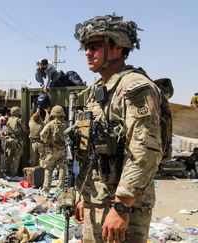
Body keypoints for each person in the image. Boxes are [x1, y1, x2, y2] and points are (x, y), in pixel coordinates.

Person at [73, 14, 163, 242]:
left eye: (94, 46)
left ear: (117, 47)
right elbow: (92, 150)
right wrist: (84, 194)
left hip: (124, 208)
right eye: (86, 46)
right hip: (97, 199)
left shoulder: (135, 88)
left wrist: (122, 206)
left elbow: (145, 148)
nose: (87, 52)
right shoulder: (98, 90)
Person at [40, 106, 66, 197]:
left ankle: (46, 190)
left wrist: (46, 141)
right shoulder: (66, 124)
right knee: (62, 169)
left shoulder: (51, 124)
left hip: (52, 150)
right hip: (63, 151)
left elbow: (42, 134)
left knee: (48, 168)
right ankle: (60, 190)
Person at [5, 106, 25, 177]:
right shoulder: (19, 120)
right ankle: (14, 174)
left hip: (10, 140)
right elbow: (25, 129)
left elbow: (6, 131)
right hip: (18, 141)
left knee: (9, 157)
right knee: (16, 158)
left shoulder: (8, 120)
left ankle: (8, 172)